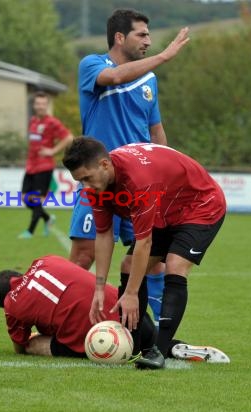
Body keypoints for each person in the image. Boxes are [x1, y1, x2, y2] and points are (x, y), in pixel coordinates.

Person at [63, 138, 227, 369]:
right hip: (165, 209)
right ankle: (135, 346)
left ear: (104, 165)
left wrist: (131, 293)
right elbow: (103, 235)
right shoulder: (95, 187)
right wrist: (99, 287)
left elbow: (144, 241)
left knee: (174, 265)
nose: (85, 187)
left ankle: (159, 349)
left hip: (200, 205)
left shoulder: (137, 181)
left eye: (87, 178)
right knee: (128, 266)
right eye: (80, 181)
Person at [71, 9, 190, 322]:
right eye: (142, 34)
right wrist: (165, 56)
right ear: (120, 37)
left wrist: (168, 179)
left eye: (149, 35)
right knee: (84, 252)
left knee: (152, 259)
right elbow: (116, 77)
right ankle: (69, 323)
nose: (148, 41)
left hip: (139, 184)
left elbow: (155, 130)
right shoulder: (92, 65)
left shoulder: (149, 80)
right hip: (98, 181)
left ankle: (164, 335)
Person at [0, 255, 229, 364]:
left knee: (32, 342)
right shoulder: (46, 260)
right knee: (151, 342)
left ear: (2, 300)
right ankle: (174, 346)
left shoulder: (12, 303)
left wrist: (30, 334)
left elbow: (20, 346)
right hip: (130, 314)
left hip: (99, 340)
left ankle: (112, 347)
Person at [18, 92, 73, 239]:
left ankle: (29, 231)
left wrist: (53, 150)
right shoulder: (33, 121)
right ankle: (48, 219)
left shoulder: (52, 122)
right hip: (31, 166)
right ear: (34, 105)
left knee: (36, 200)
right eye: (38, 104)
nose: (40, 106)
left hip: (44, 167)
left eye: (43, 104)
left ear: (47, 105)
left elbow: (68, 137)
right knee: (25, 198)